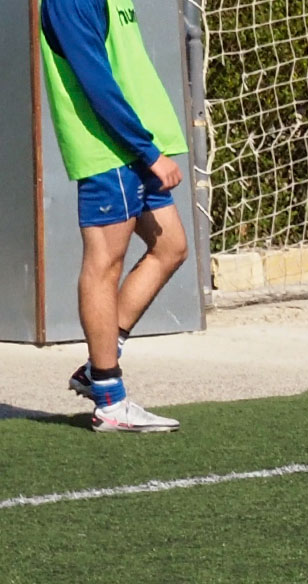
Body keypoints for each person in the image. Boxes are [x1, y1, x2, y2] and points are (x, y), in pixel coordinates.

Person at [38, 0, 191, 432]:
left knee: (171, 248)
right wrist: (148, 150)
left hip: (135, 147)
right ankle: (109, 399)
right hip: (110, 151)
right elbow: (95, 81)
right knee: (104, 264)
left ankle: (97, 366)